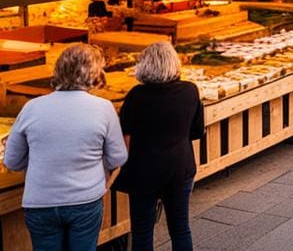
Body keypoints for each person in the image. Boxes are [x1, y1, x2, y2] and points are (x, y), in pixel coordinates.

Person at [3, 43, 127, 251]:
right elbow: (118, 157)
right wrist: (96, 164)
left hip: (41, 202)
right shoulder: (104, 108)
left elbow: (12, 161)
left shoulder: (32, 107)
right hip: (85, 200)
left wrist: (40, 160)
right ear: (94, 73)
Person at [115, 41, 205, 251]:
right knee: (180, 229)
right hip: (179, 169)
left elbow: (124, 135)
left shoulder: (136, 97)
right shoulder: (190, 91)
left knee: (142, 232)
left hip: (143, 173)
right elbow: (197, 132)